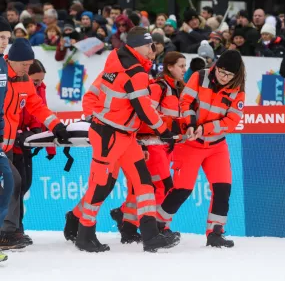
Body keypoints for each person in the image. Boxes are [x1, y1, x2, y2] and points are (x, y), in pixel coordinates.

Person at [71, 27, 179, 253]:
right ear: (140, 46)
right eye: (151, 45)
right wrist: (163, 130)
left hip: (124, 135)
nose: (154, 50)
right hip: (108, 134)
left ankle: (151, 236)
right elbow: (143, 108)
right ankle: (84, 234)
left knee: (143, 182)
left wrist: (96, 114)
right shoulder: (135, 71)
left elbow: (97, 93)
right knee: (100, 185)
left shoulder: (116, 64)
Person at [156, 50, 246, 248]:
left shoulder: (238, 90)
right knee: (182, 189)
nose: (223, 77)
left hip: (216, 145)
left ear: (236, 75)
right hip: (190, 143)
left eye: (228, 75)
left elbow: (232, 121)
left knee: (222, 188)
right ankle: (158, 226)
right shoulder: (200, 76)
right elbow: (185, 101)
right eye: (220, 71)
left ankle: (215, 233)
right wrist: (191, 123)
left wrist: (205, 129)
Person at [110, 51, 187, 243]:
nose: (185, 70)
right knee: (161, 186)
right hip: (152, 144)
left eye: (185, 66)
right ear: (169, 67)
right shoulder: (159, 88)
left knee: (143, 188)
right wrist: (169, 127)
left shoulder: (176, 88)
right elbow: (145, 114)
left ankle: (128, 224)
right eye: (181, 66)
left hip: (164, 145)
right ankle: (160, 227)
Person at [0, 38, 69, 250]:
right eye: (24, 65)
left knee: (16, 183)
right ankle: (7, 232)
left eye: (30, 65)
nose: (27, 69)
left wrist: (56, 125)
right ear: (11, 60)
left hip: (8, 147)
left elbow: (37, 106)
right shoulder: (2, 78)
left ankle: (9, 232)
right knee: (14, 181)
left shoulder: (24, 81)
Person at [13, 59, 56, 234]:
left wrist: (49, 145)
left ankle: (17, 226)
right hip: (12, 142)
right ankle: (13, 228)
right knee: (15, 186)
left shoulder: (40, 89)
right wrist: (15, 133)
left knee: (25, 184)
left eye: (41, 81)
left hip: (27, 141)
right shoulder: (15, 87)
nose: (39, 84)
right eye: (35, 80)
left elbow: (40, 112)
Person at [0, 17, 13, 262]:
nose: (4, 43)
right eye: (1, 37)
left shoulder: (3, 64)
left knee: (9, 181)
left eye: (7, 39)